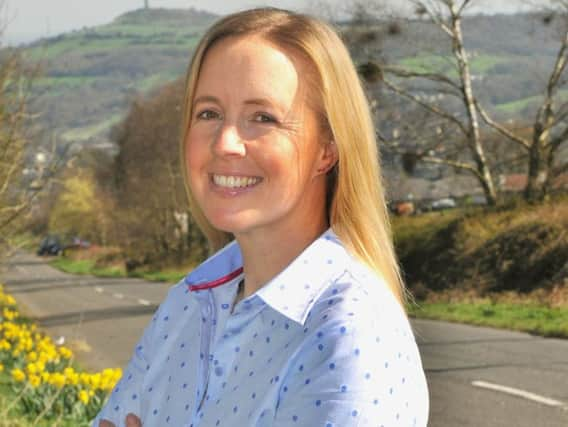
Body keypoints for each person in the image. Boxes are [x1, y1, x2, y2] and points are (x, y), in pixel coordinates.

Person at [95, 7, 429, 427]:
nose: (226, 143)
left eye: (263, 118)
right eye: (209, 113)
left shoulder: (352, 332)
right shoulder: (190, 301)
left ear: (328, 148)